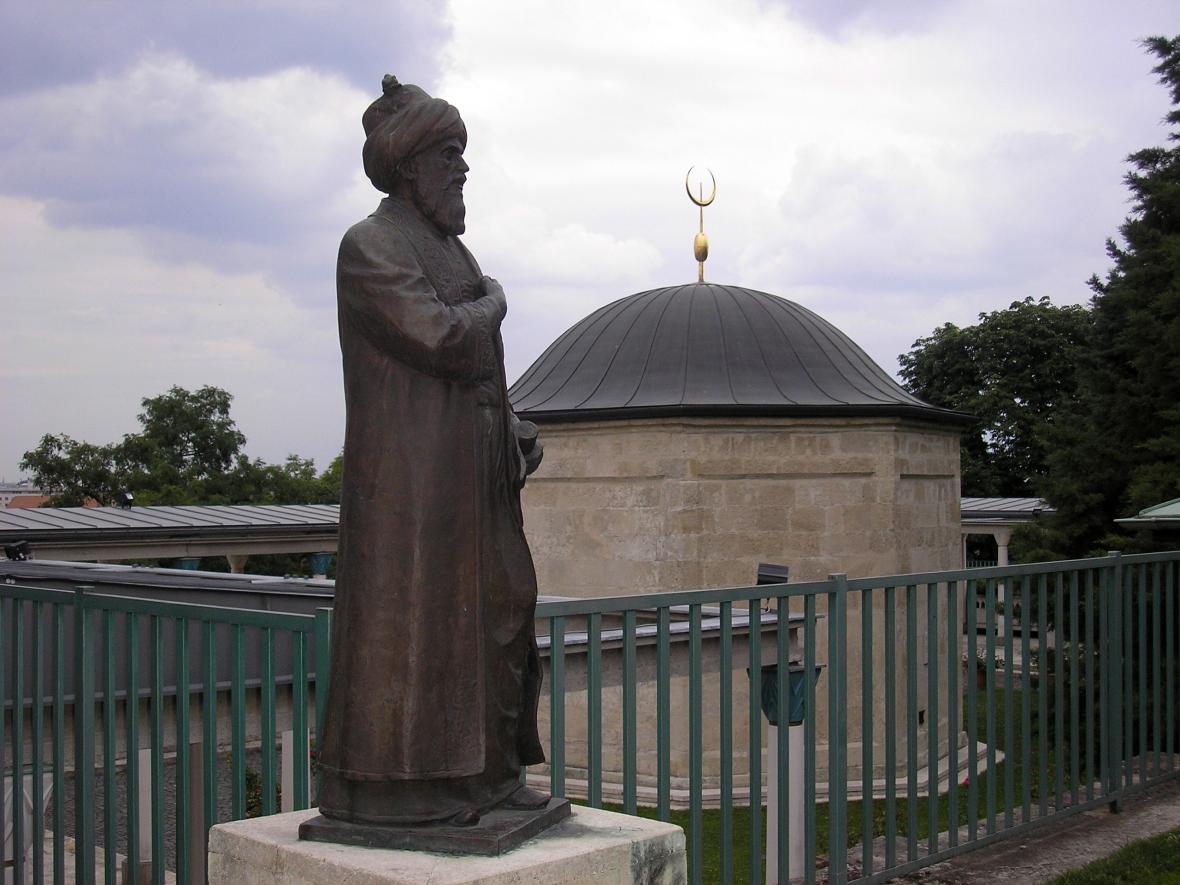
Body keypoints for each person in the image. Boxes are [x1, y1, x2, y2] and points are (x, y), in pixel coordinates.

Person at [316, 75, 548, 827]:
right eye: (450, 155)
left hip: (477, 482)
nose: (463, 171)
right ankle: (410, 787)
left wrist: (508, 427)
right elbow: (444, 339)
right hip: (414, 496)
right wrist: (496, 300)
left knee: (503, 609)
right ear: (411, 166)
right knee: (420, 633)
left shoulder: (449, 247)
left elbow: (478, 367)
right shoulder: (371, 246)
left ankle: (489, 773)